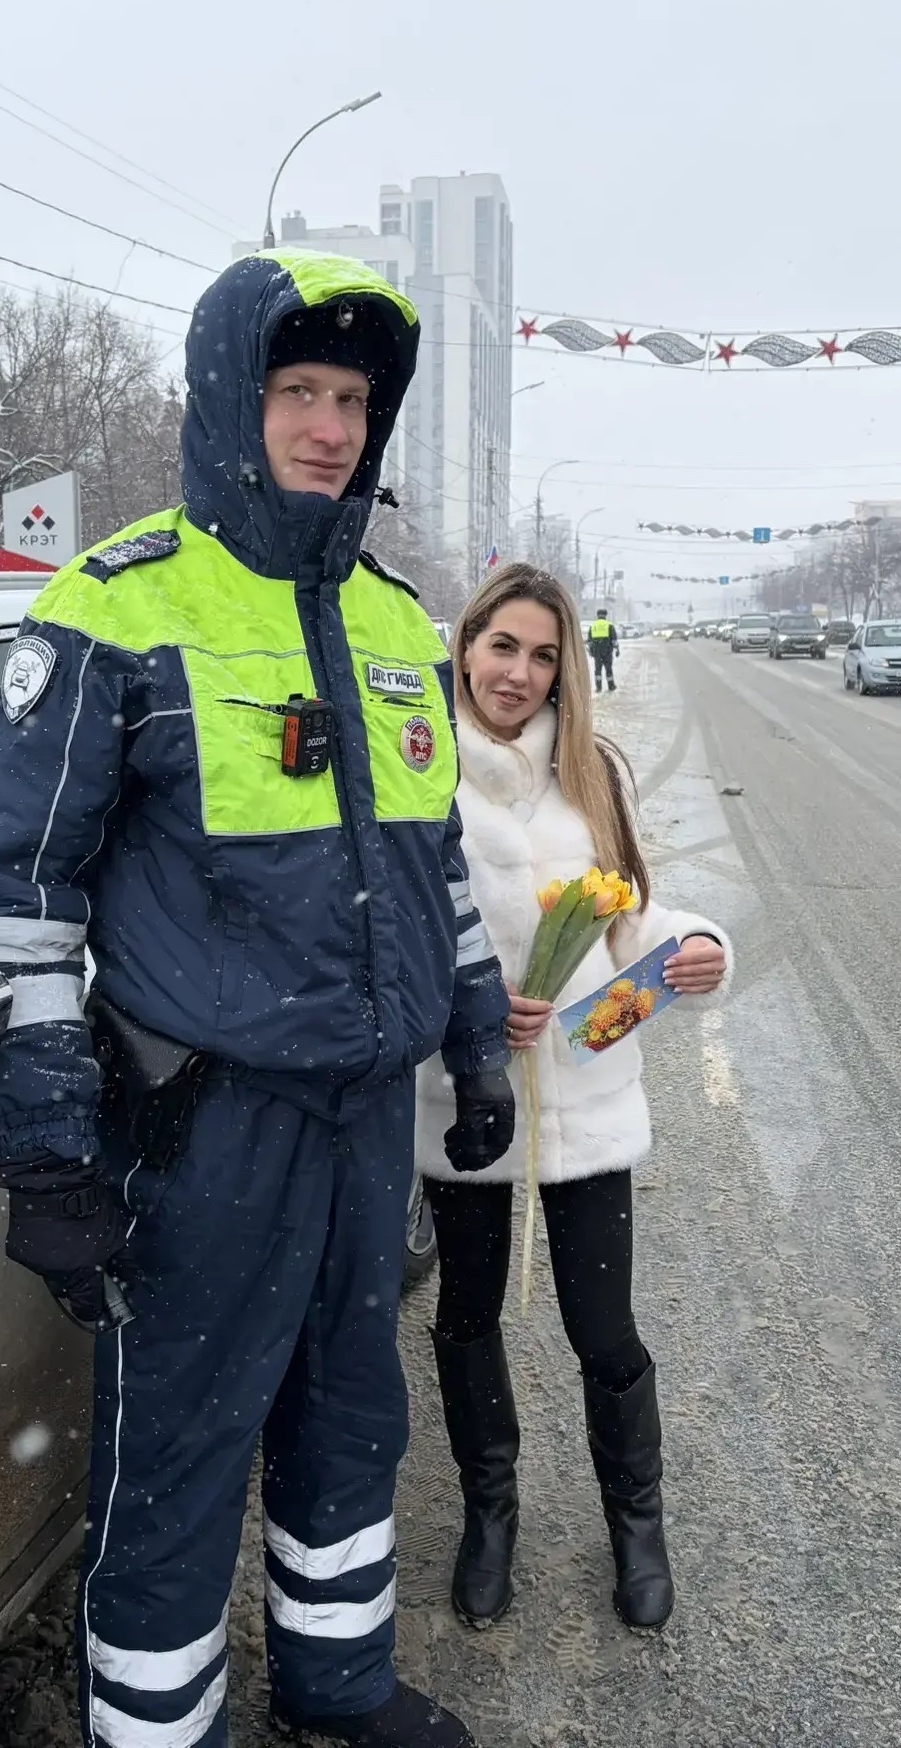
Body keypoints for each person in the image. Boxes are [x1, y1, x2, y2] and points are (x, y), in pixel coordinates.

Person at [0, 248, 514, 1748]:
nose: (329, 427)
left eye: (353, 400)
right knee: (179, 1453)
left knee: (352, 1415)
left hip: (362, 1122)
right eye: (297, 390)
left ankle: (336, 1682)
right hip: (203, 1129)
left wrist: (475, 1040)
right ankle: (159, 1729)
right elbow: (19, 901)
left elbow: (434, 866)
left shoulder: (395, 621)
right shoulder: (116, 607)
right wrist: (47, 1148)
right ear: (229, 398)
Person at [415, 564, 732, 1634]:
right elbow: (394, 932)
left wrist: (693, 946)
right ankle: (489, 1512)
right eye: (503, 646)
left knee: (605, 1329)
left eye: (544, 655)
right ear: (466, 646)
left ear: (564, 671)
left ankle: (637, 1522)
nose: (519, 673)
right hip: (463, 1094)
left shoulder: (595, 772)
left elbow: (632, 917)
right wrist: (463, 1007)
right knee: (467, 1317)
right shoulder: (416, 764)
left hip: (588, 1097)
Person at [588, 607, 619, 692]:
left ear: (597, 615)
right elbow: (614, 640)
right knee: (608, 669)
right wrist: (617, 649)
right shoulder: (609, 625)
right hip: (607, 651)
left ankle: (598, 688)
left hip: (597, 652)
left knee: (598, 670)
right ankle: (611, 686)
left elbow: (589, 641)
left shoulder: (593, 626)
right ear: (605, 615)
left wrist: (591, 651)